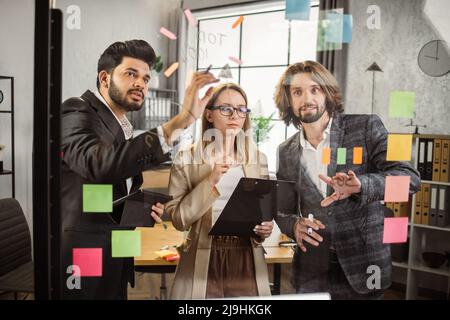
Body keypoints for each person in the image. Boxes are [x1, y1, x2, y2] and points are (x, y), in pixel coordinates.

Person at [61, 39, 218, 299]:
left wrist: (139, 208)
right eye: (131, 74)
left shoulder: (121, 124)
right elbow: (97, 165)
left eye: (145, 78)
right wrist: (183, 121)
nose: (141, 84)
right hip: (85, 253)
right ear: (104, 77)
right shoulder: (77, 109)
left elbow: (100, 190)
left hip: (116, 251)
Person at [273, 61, 420, 299]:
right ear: (288, 100)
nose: (306, 98)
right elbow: (282, 210)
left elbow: (410, 179)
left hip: (365, 266)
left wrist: (362, 185)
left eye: (315, 89)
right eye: (297, 92)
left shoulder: (366, 126)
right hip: (311, 271)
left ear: (327, 93)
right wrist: (293, 225)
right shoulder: (285, 150)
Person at [165, 83, 273, 299]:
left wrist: (265, 229)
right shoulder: (186, 159)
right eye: (226, 108)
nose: (235, 114)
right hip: (203, 256)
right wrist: (211, 180)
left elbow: (264, 213)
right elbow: (178, 219)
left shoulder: (258, 159)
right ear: (209, 115)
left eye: (241, 109)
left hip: (247, 258)